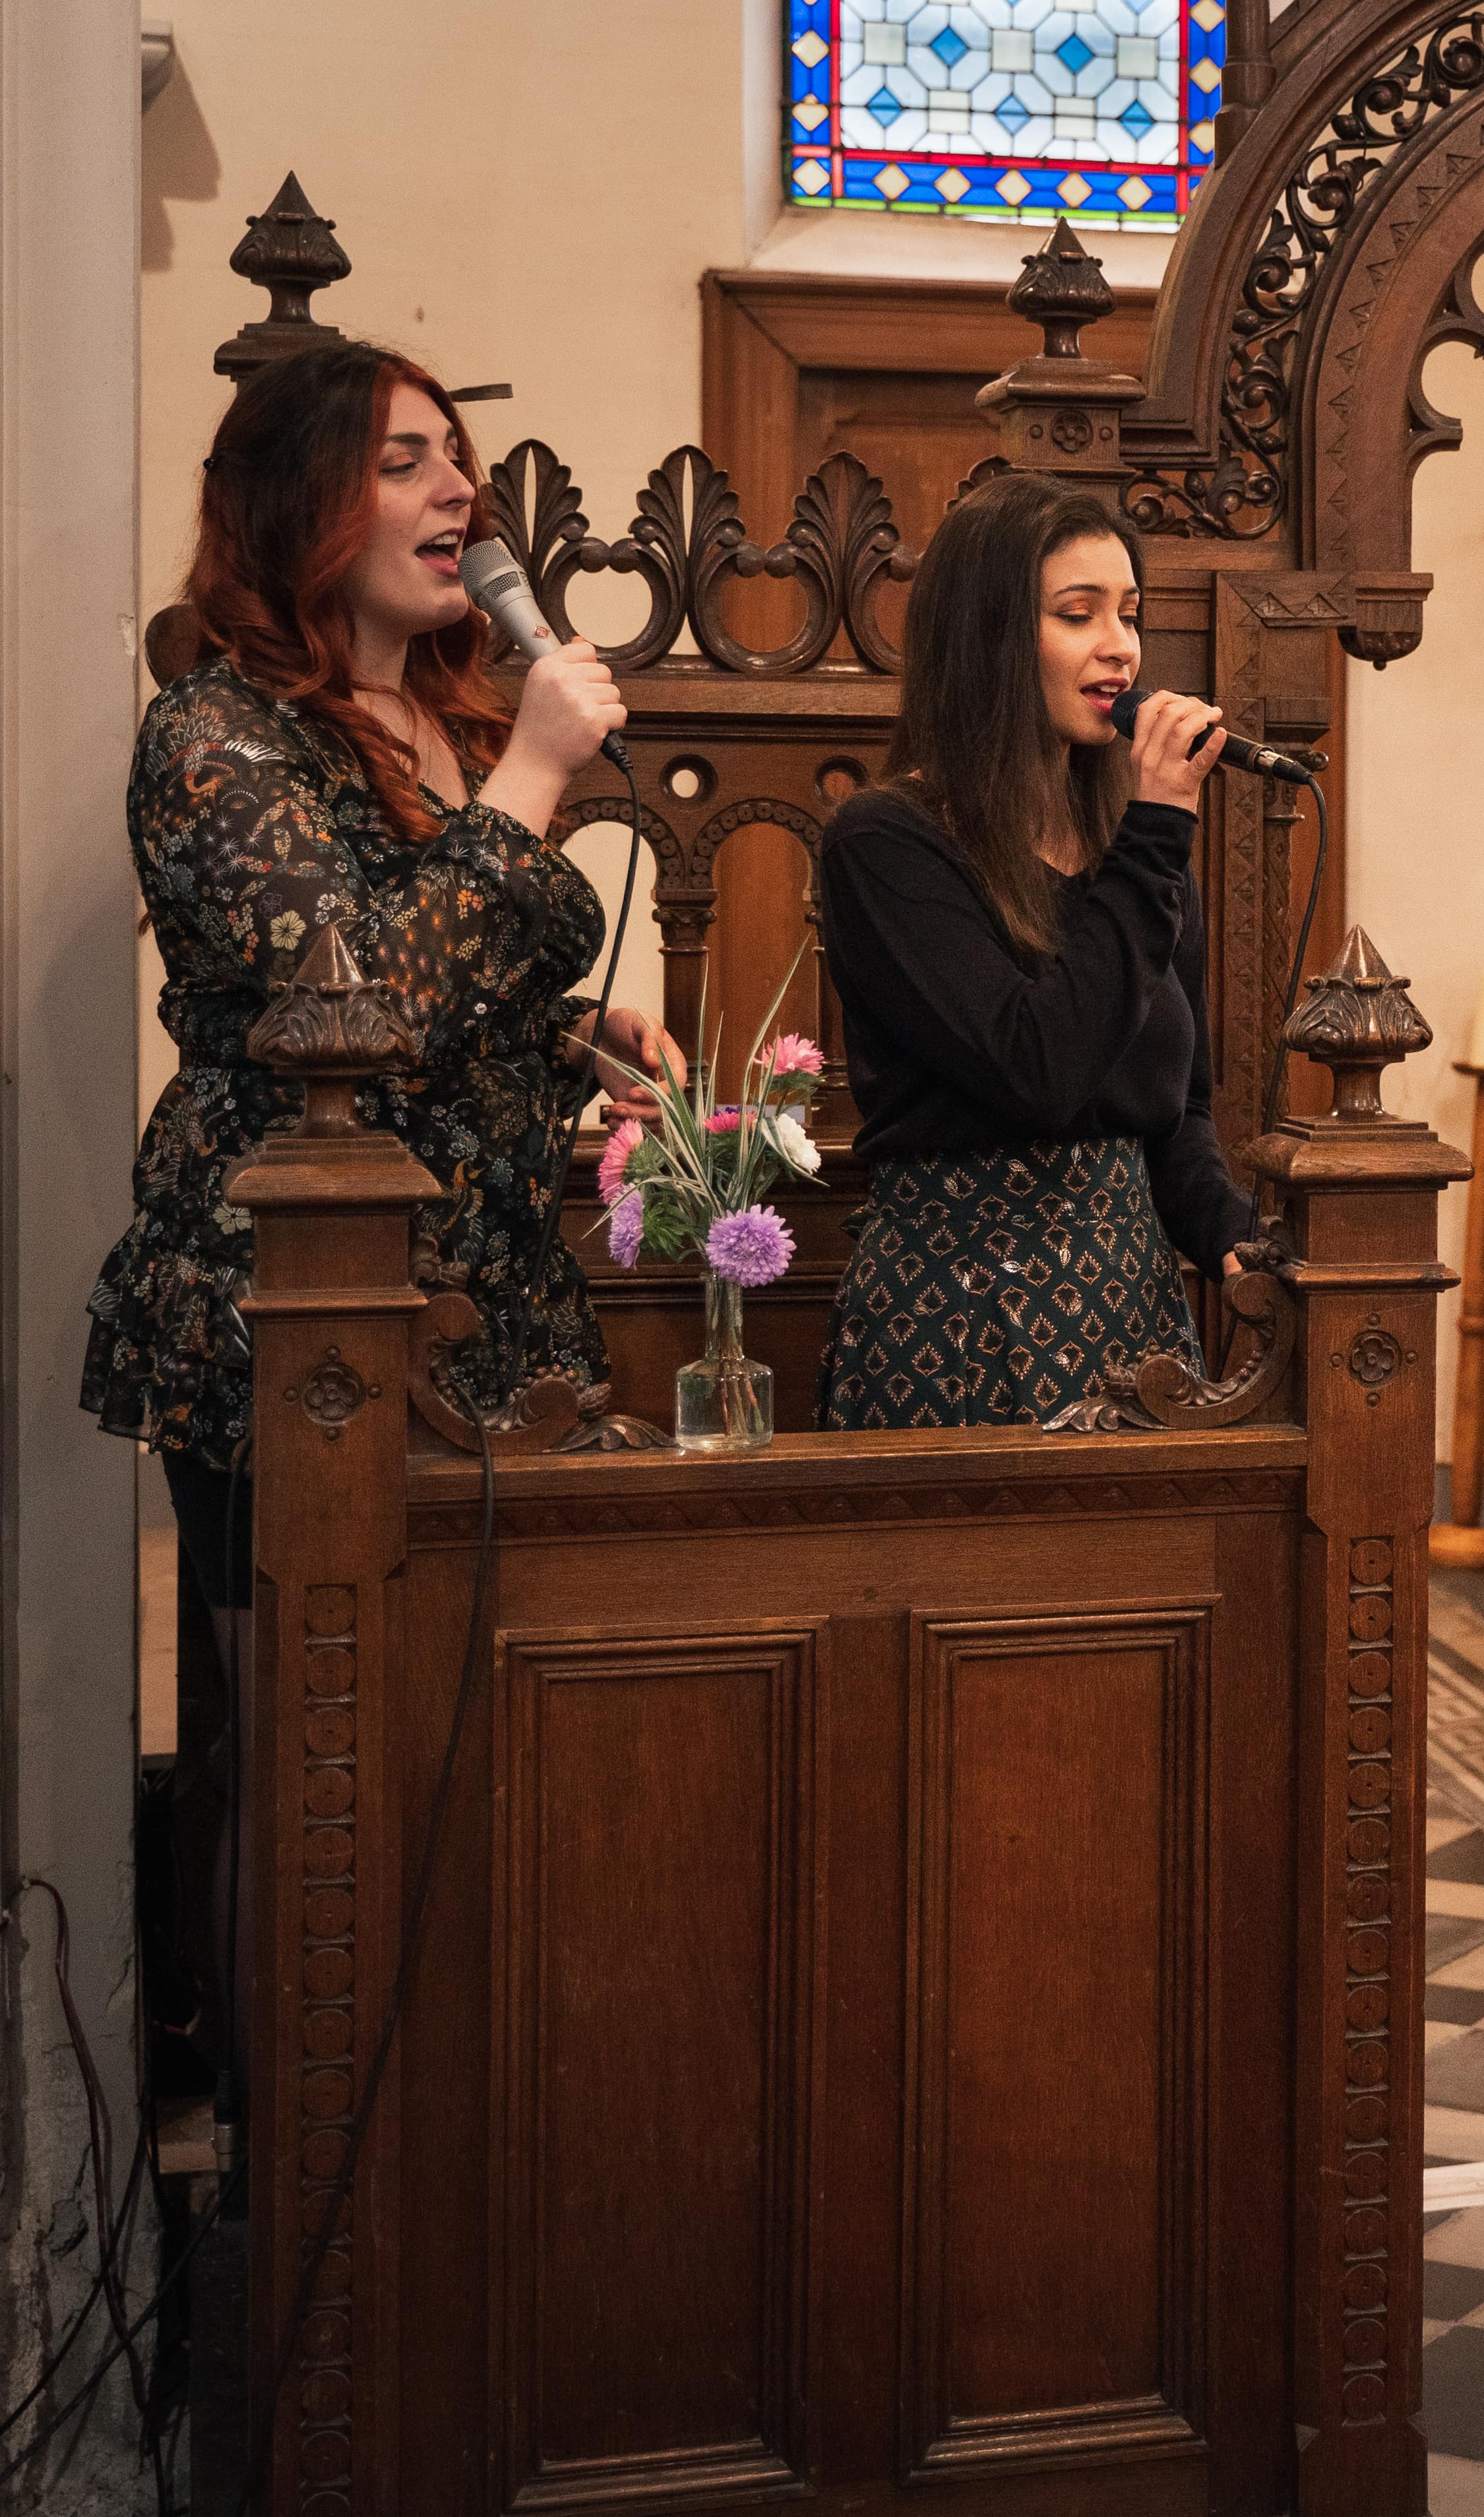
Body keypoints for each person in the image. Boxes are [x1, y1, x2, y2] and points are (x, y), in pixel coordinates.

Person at [86, 338, 647, 2117]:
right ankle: (306, 2174)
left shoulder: (450, 719)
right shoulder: (212, 731)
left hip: (489, 1317)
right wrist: (542, 776)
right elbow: (355, 998)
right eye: (407, 462)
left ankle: (454, 2155)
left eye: (459, 461)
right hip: (298, 1321)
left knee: (459, 1755)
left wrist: (581, 1037)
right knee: (312, 1764)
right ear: (295, 502)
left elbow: (442, 973)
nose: (458, 495)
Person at [813, 472, 1258, 1429]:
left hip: (1134, 1320)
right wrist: (1156, 831)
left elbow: (1176, 1113)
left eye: (1129, 614)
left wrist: (1234, 1242)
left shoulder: (1136, 850)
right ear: (990, 636)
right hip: (958, 1323)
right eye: (1077, 613)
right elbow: (1040, 1065)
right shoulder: (885, 841)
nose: (1120, 646)